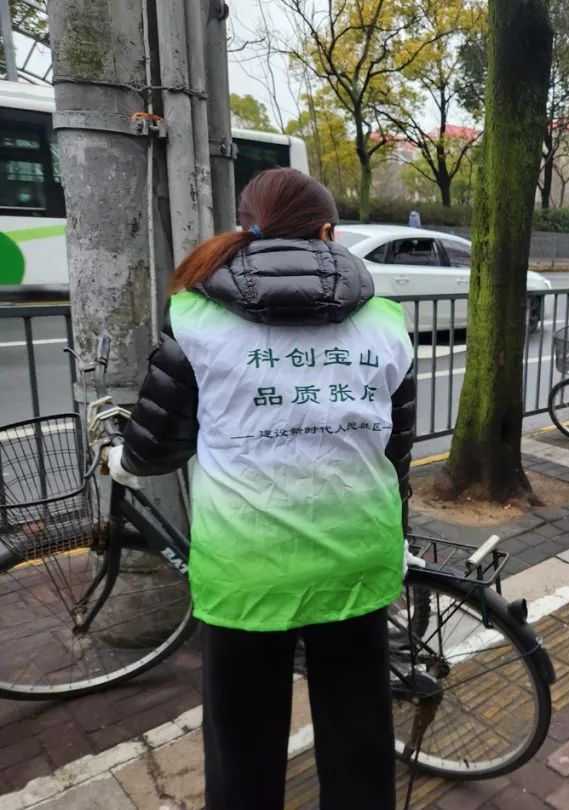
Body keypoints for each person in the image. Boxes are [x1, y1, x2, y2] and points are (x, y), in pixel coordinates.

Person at [107, 168, 415, 810]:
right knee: (359, 741)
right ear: (329, 234)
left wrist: (121, 459)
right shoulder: (386, 323)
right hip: (357, 559)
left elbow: (155, 447)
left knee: (243, 754)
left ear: (246, 229)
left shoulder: (194, 318)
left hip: (246, 569)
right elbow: (395, 450)